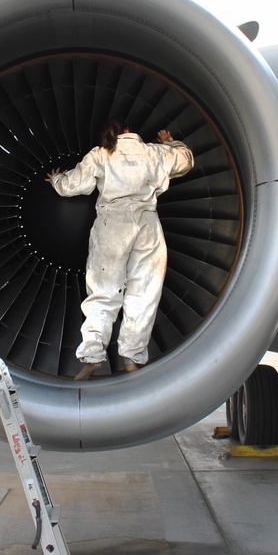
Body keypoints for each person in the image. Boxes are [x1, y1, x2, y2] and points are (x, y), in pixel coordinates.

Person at [47, 118, 194, 381]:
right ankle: (132, 358)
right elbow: (186, 160)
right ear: (130, 131)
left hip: (113, 226)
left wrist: (57, 179)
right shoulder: (155, 152)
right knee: (144, 293)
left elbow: (73, 186)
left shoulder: (101, 154)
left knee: (103, 292)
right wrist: (169, 142)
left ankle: (92, 355)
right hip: (148, 225)